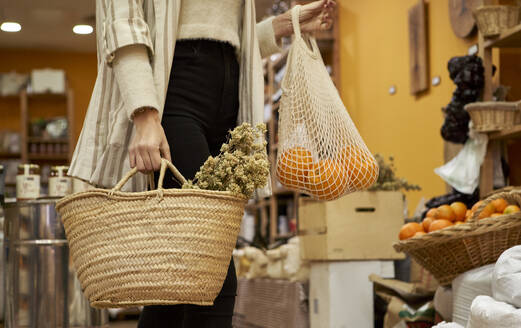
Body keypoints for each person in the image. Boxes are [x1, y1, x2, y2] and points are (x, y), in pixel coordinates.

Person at [69, 0, 335, 326]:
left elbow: (221, 30)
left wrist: (279, 26)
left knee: (177, 282)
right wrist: (144, 113)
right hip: (171, 89)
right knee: (212, 273)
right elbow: (122, 19)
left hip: (226, 92)